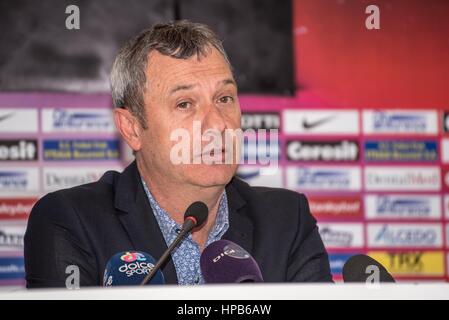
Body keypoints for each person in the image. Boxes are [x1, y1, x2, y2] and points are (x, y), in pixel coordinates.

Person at [24, 20, 332, 287]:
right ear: (132, 127)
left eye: (225, 98)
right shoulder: (71, 220)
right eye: (185, 104)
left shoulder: (288, 220)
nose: (217, 125)